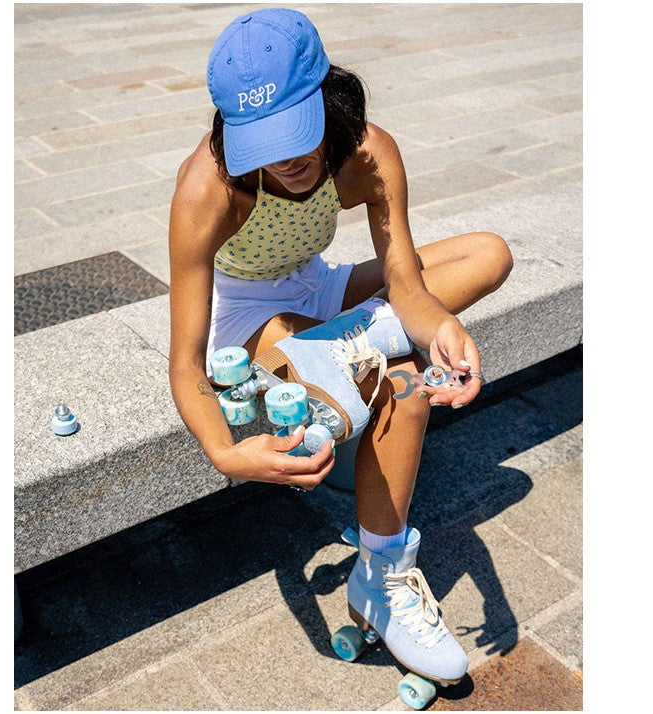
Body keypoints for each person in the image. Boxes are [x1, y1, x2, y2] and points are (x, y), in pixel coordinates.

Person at [168, 8, 513, 687]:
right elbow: (186, 363)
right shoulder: (206, 190)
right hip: (250, 319)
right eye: (261, 141)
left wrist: (441, 325)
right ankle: (382, 577)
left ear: (330, 97)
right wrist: (223, 450)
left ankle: (350, 349)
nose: (285, 160)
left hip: (322, 291)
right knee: (408, 386)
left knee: (487, 253)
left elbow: (409, 287)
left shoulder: (367, 152)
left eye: (296, 133)